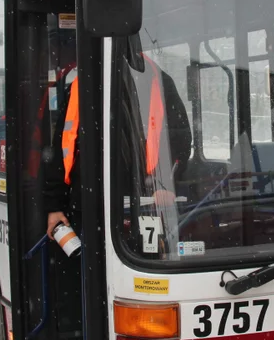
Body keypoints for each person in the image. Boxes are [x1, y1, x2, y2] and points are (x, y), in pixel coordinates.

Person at [43, 52, 192, 237]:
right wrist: (55, 206)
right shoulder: (81, 85)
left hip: (144, 201)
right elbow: (62, 148)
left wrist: (167, 185)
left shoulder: (156, 80)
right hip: (88, 205)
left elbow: (180, 140)